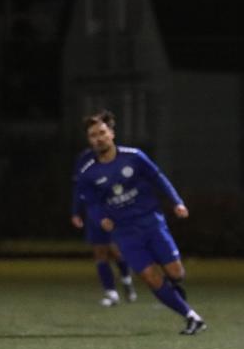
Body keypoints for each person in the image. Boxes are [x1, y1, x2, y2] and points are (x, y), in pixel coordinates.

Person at [75, 110, 206, 335]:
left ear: (112, 134)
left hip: (152, 223)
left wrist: (177, 202)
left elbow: (159, 179)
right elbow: (92, 204)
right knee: (149, 277)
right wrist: (102, 218)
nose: (99, 138)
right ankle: (191, 316)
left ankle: (173, 287)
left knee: (176, 273)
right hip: (124, 232)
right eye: (93, 135)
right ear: (89, 140)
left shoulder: (134, 157)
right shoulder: (88, 173)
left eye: (102, 133)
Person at [72, 140, 137, 307]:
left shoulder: (120, 156)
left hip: (115, 210)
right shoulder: (85, 159)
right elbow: (79, 187)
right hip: (94, 211)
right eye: (92, 135)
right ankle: (111, 292)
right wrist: (76, 211)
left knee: (116, 250)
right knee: (100, 251)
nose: (97, 139)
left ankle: (126, 279)